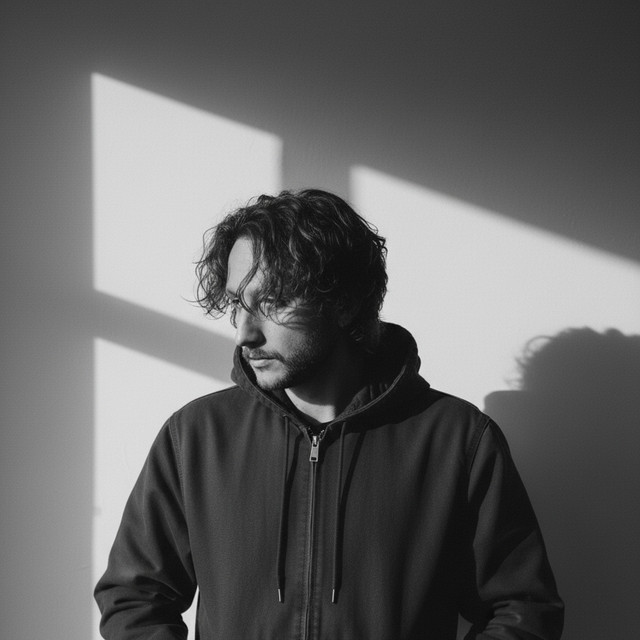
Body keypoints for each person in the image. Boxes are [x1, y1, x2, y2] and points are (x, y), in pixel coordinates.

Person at [94, 189, 564, 639]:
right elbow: (134, 597)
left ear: (343, 303)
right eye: (239, 303)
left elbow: (522, 609)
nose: (245, 334)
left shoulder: (457, 440)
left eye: (273, 302)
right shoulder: (196, 436)